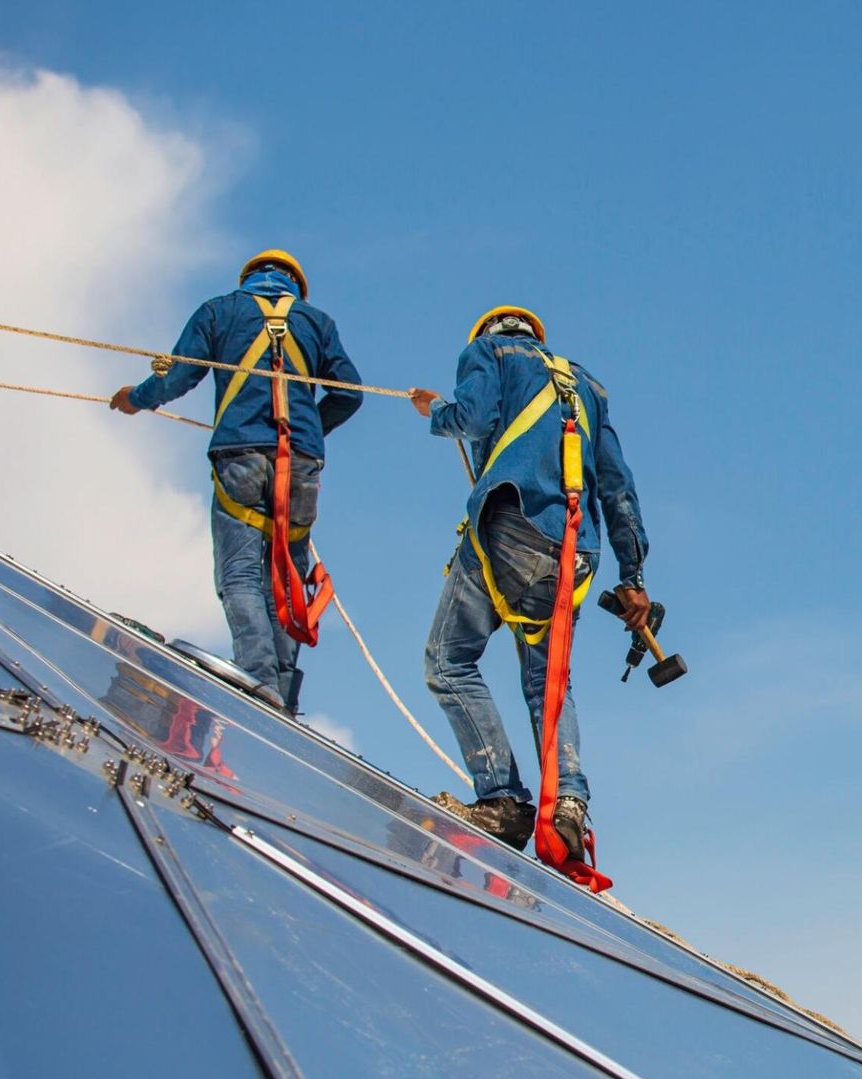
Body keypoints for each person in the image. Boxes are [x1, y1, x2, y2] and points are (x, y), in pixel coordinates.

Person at [411, 305, 650, 857]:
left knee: (448, 660)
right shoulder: (587, 387)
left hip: (511, 527)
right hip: (574, 551)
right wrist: (633, 574)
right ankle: (568, 804)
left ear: (489, 332)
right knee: (550, 681)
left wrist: (436, 413)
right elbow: (618, 488)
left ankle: (503, 799)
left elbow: (471, 417)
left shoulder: (487, 353)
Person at [110, 249, 361, 713]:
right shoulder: (316, 322)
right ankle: (282, 695)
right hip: (301, 464)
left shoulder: (219, 311)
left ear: (249, 277)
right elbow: (349, 393)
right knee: (284, 579)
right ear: (295, 286)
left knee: (240, 573)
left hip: (240, 453)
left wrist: (136, 399)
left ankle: (258, 682)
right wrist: (309, 430)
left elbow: (180, 376)